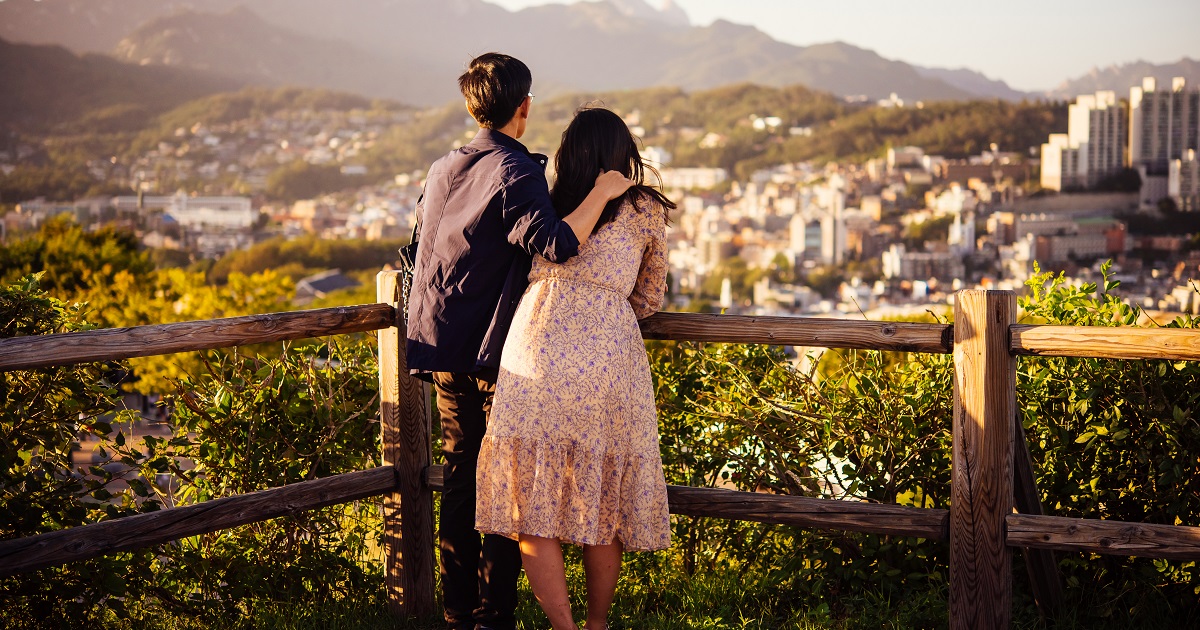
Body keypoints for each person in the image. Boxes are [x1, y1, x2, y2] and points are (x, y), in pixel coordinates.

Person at [405, 54, 633, 630]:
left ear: (470, 105)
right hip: (493, 349)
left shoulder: (441, 166)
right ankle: (491, 615)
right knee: (507, 483)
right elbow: (555, 243)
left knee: (460, 476)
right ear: (524, 108)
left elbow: (416, 251)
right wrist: (603, 194)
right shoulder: (516, 170)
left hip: (437, 338)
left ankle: (457, 612)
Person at [475, 107, 676, 630]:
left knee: (532, 502)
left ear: (569, 153)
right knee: (601, 502)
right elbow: (650, 296)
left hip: (534, 345)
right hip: (609, 354)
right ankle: (595, 626)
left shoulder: (549, 198)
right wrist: (605, 306)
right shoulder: (643, 208)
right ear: (622, 152)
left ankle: (562, 629)